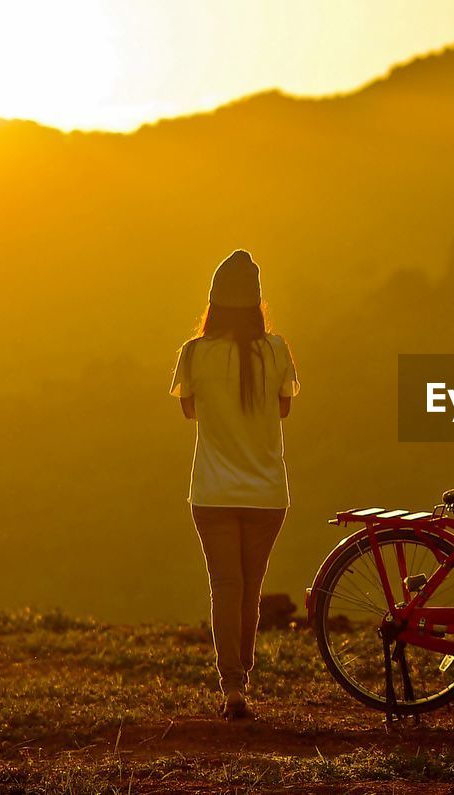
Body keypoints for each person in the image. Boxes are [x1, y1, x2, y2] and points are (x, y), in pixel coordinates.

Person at [170, 249, 300, 720]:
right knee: (251, 586)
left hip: (211, 491)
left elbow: (190, 410)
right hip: (267, 492)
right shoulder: (277, 350)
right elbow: (284, 407)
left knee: (225, 585)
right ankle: (242, 671)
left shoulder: (194, 353)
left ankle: (232, 686)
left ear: (214, 305)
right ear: (256, 305)